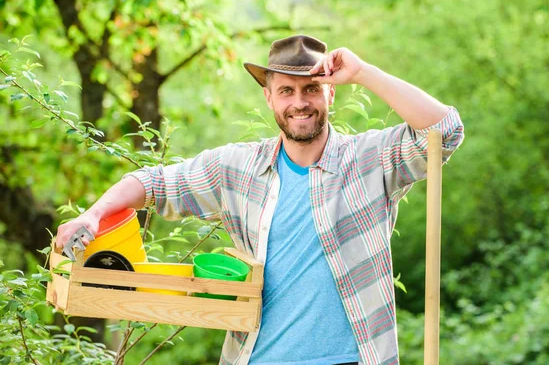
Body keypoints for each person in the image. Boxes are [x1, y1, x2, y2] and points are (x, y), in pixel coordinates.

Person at [56, 35, 465, 365]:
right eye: (286, 90)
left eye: (312, 89)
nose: (299, 102)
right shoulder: (236, 167)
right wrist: (93, 216)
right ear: (270, 99)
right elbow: (154, 183)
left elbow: (445, 129)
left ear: (330, 96)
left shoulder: (368, 161)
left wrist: (363, 73)